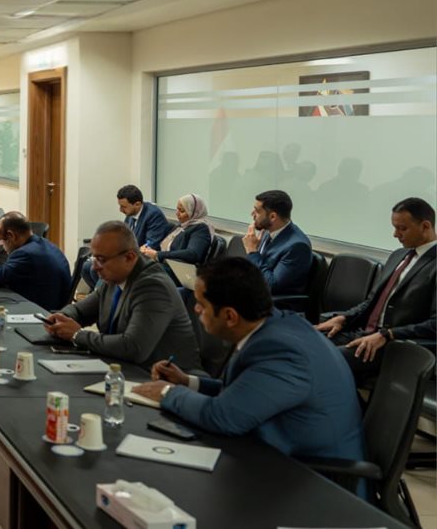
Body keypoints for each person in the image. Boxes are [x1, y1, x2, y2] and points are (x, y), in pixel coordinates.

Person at [133, 257, 365, 465]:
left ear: (230, 316)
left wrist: (167, 392)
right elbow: (246, 391)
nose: (195, 309)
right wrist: (187, 382)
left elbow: (222, 416)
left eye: (201, 304)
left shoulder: (280, 352)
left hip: (313, 478)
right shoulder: (277, 325)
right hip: (274, 455)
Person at [45, 221, 200, 370]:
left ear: (129, 257)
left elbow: (133, 347)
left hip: (164, 377)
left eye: (101, 259)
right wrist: (61, 318)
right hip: (124, 368)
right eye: (94, 258)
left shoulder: (153, 286)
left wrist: (77, 335)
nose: (95, 267)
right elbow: (80, 311)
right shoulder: (113, 277)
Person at [316, 197, 436, 382]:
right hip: (363, 332)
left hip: (393, 344)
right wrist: (344, 318)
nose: (395, 234)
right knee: (302, 344)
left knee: (322, 361)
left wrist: (388, 335)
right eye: (394, 227)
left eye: (402, 228)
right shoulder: (398, 255)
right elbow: (371, 302)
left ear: (425, 226)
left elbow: (435, 323)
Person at [0, 212, 70, 308]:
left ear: (11, 235)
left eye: (1, 239)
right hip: (55, 305)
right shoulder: (45, 245)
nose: (0, 243)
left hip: (41, 310)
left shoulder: (24, 254)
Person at [242, 190, 312, 296]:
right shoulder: (267, 231)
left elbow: (271, 286)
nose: (252, 214)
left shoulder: (297, 246)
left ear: (272, 217)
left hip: (275, 302)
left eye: (257, 211)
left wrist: (252, 252)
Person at [139, 193, 213, 265]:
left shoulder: (200, 229)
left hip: (179, 269)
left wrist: (158, 254)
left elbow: (192, 254)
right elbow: (162, 243)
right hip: (166, 264)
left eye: (182, 211)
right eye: (177, 209)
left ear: (194, 212)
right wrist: (147, 249)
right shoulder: (181, 226)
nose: (177, 213)